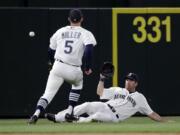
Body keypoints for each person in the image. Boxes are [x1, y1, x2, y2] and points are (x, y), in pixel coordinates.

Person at [28, 8, 97, 124]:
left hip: (58, 66)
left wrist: (50, 64)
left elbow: (50, 50)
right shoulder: (86, 33)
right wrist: (87, 67)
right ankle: (69, 111)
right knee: (77, 85)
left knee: (47, 94)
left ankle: (36, 114)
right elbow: (89, 49)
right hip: (74, 69)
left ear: (69, 19)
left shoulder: (60, 31)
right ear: (82, 19)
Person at [45, 72, 165, 123]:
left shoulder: (140, 98)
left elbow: (151, 113)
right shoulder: (118, 89)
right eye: (127, 79)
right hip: (104, 106)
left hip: (113, 116)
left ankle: (76, 120)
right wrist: (101, 80)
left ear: (136, 83)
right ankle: (57, 117)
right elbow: (100, 93)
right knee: (86, 105)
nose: (128, 82)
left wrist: (163, 121)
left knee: (95, 117)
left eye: (131, 80)